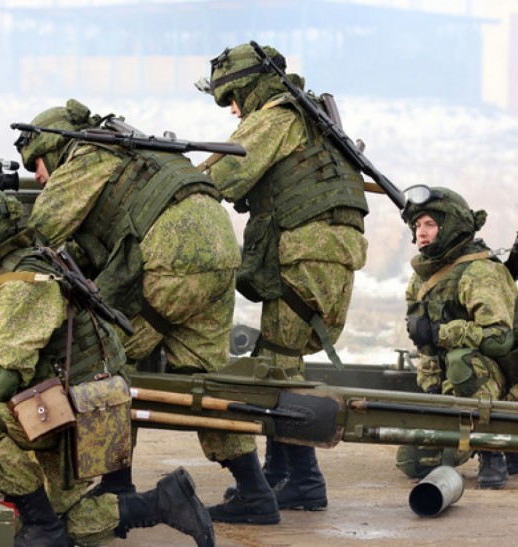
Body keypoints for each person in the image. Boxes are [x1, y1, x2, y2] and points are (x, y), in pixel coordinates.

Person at [16, 99, 280, 525]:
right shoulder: (135, 150)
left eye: (37, 165)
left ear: (51, 150)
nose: (39, 176)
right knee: (206, 377)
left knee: (104, 360)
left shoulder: (85, 155)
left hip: (172, 255)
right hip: (218, 247)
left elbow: (39, 234)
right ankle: (255, 493)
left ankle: (117, 485)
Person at [0, 181, 215, 547]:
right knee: (69, 523)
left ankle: (43, 529)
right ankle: (165, 501)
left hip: (76, 413)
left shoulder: (22, 284)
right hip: (63, 404)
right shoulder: (11, 270)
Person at [197, 42, 370, 512]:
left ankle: (306, 483)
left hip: (308, 255)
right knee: (275, 357)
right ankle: (279, 474)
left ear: (251, 85)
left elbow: (222, 178)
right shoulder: (307, 117)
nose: (232, 109)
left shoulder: (277, 116)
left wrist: (175, 182)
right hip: (325, 255)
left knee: (278, 366)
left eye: (231, 96)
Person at [396, 184, 518, 488]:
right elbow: (424, 344)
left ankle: (494, 451)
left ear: (450, 227)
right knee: (412, 462)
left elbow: (500, 337)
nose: (421, 232)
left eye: (430, 224)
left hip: (497, 379)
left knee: (460, 360)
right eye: (417, 225)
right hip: (447, 386)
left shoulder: (479, 271)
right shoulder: (422, 275)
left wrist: (442, 333)